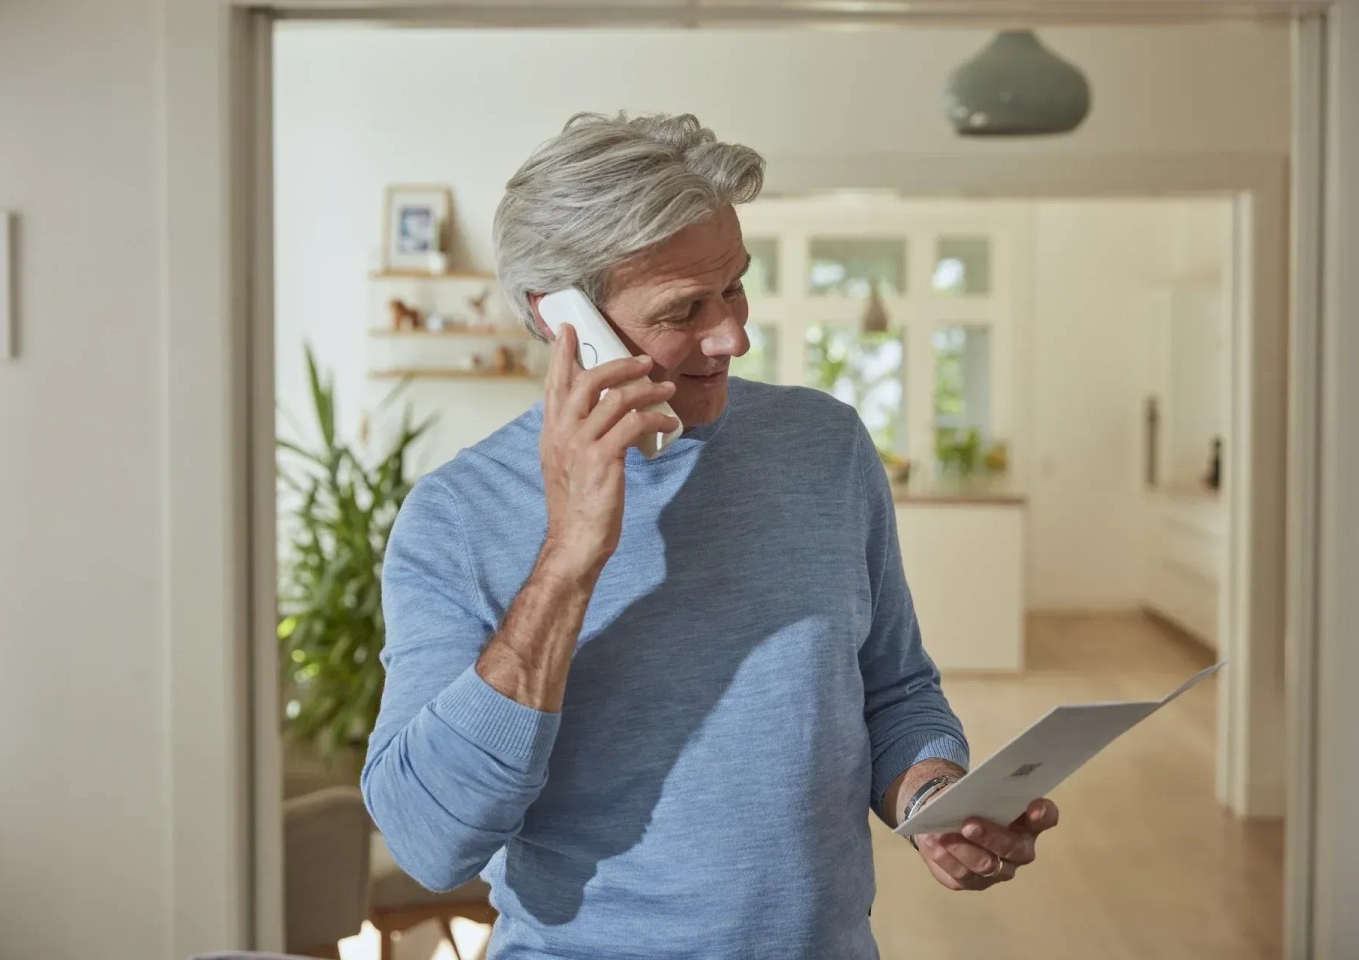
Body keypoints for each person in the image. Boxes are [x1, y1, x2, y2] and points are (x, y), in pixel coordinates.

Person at [362, 112, 1060, 959]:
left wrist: (933, 802)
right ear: (564, 319)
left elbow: (894, 690)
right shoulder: (457, 517)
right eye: (684, 309)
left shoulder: (825, 447)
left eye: (734, 286)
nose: (734, 335)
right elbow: (429, 842)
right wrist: (570, 558)